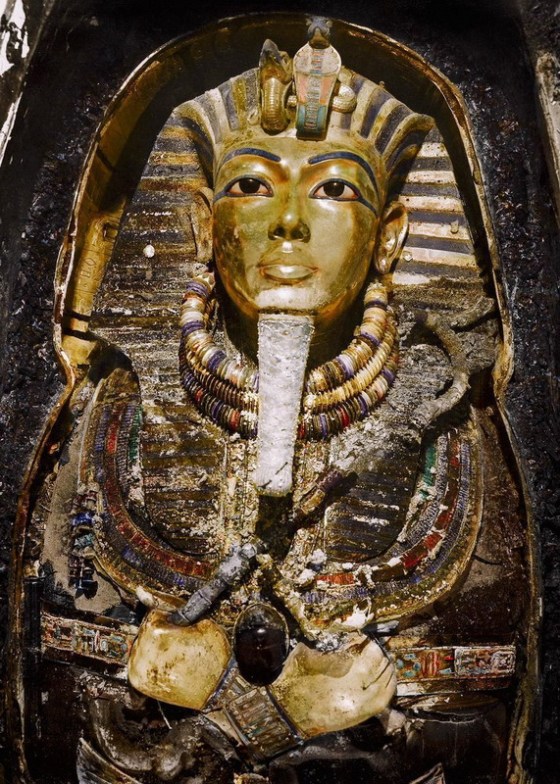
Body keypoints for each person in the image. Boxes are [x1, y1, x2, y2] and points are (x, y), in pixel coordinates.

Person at [33, 19, 527, 784]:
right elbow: (57, 682)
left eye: (334, 189)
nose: (289, 223)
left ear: (390, 236)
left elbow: (480, 710)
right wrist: (185, 680)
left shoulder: (450, 432)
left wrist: (279, 708)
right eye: (252, 185)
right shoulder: (116, 416)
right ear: (201, 225)